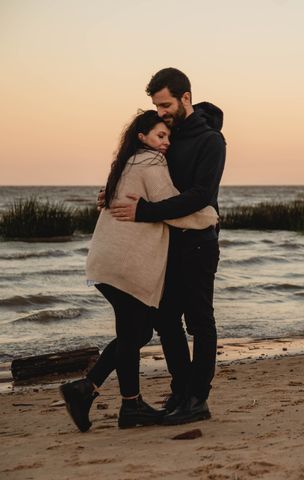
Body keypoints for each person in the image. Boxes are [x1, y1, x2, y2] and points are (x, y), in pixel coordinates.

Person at [60, 110, 218, 432]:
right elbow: (171, 207)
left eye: (169, 137)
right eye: (160, 136)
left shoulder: (126, 162)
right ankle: (128, 406)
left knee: (137, 332)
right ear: (142, 136)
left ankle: (87, 390)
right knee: (134, 335)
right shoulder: (150, 163)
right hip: (124, 265)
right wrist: (209, 217)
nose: (166, 143)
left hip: (106, 263)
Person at [109, 68, 226, 425]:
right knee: (165, 320)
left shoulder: (211, 141)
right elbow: (146, 177)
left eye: (165, 105)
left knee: (200, 323)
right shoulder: (167, 137)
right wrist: (111, 194)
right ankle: (181, 390)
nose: (161, 113)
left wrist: (145, 211)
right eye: (157, 106)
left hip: (199, 246)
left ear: (185, 98)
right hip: (165, 244)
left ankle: (197, 398)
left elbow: (199, 197)